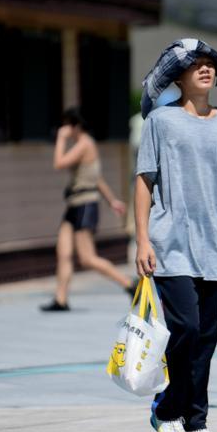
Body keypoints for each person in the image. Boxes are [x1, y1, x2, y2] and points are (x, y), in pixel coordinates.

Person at [135, 38, 217, 432]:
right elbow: (144, 180)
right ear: (179, 77)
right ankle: (168, 412)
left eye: (210, 64)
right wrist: (142, 238)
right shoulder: (160, 122)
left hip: (209, 247)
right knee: (184, 327)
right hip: (168, 242)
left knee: (206, 338)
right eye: (195, 65)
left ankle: (197, 422)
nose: (205, 69)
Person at [40, 108, 135, 312]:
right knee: (63, 252)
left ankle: (129, 284)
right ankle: (61, 299)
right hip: (74, 204)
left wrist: (60, 138)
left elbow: (58, 163)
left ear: (75, 125)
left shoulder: (85, 144)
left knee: (87, 258)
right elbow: (97, 178)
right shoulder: (83, 145)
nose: (64, 129)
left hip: (85, 205)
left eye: (66, 125)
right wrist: (112, 201)